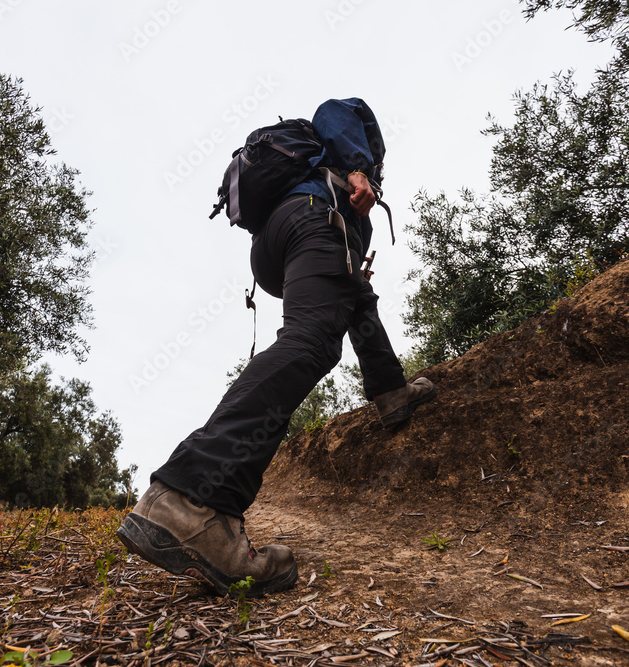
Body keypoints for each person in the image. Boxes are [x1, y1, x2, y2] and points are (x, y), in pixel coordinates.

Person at [117, 98, 436, 597]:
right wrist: (357, 168)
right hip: (313, 217)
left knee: (351, 297)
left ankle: (391, 392)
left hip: (278, 239)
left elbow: (352, 294)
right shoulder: (354, 148)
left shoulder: (307, 179)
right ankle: (192, 498)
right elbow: (334, 109)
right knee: (310, 339)